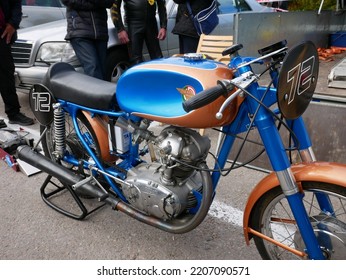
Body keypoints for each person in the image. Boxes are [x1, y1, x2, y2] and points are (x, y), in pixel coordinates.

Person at [0, 0, 34, 126]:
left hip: (2, 34)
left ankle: (13, 113)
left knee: (6, 75)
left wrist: (13, 24)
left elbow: (15, 5)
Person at [62, 0, 114, 80]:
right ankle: (97, 92)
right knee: (93, 67)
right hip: (80, 31)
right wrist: (95, 5)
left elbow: (109, 2)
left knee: (102, 70)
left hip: (100, 31)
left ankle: (102, 91)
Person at [111, 0, 167, 65]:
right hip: (133, 25)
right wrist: (120, 29)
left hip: (151, 24)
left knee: (158, 58)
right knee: (135, 61)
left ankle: (159, 74)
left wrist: (163, 26)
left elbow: (162, 5)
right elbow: (114, 7)